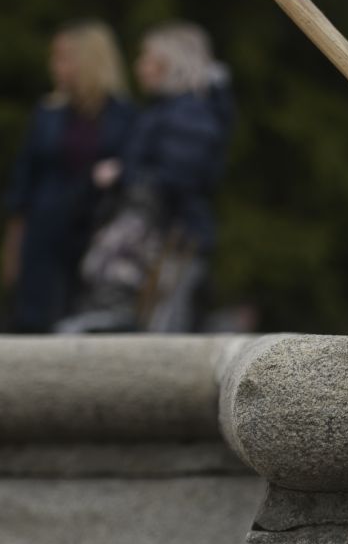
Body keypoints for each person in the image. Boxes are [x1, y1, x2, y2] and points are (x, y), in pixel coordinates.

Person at [68, 22, 232, 333]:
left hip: (170, 240)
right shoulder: (171, 111)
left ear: (168, 63)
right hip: (165, 237)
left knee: (162, 329)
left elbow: (182, 177)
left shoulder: (188, 114)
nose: (139, 66)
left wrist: (123, 174)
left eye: (146, 57)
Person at [4, 21, 136, 332]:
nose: (55, 66)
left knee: (86, 325)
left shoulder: (124, 118)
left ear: (88, 62)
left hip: (95, 236)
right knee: (36, 322)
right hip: (44, 235)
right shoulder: (47, 114)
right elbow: (23, 184)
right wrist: (12, 251)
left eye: (63, 58)